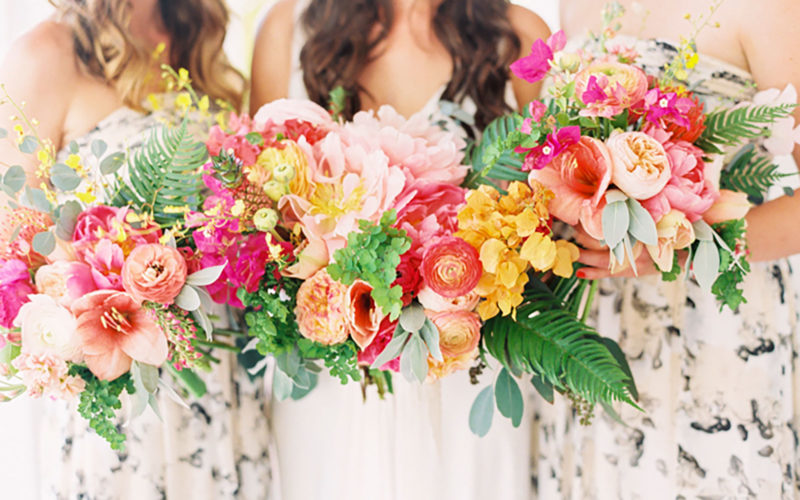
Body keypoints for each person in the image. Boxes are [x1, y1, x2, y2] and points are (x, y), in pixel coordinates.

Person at [250, 1, 549, 499]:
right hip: (335, 385)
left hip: (469, 374)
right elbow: (258, 214)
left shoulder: (517, 34)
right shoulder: (290, 28)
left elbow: (549, 213)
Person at [0, 1, 274, 498]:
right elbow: (13, 242)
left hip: (220, 378)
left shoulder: (195, 38)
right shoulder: (47, 53)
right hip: (121, 397)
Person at [534, 0, 800, 498]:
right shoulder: (577, 6)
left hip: (714, 317)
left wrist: (677, 250)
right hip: (594, 329)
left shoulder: (770, 9)